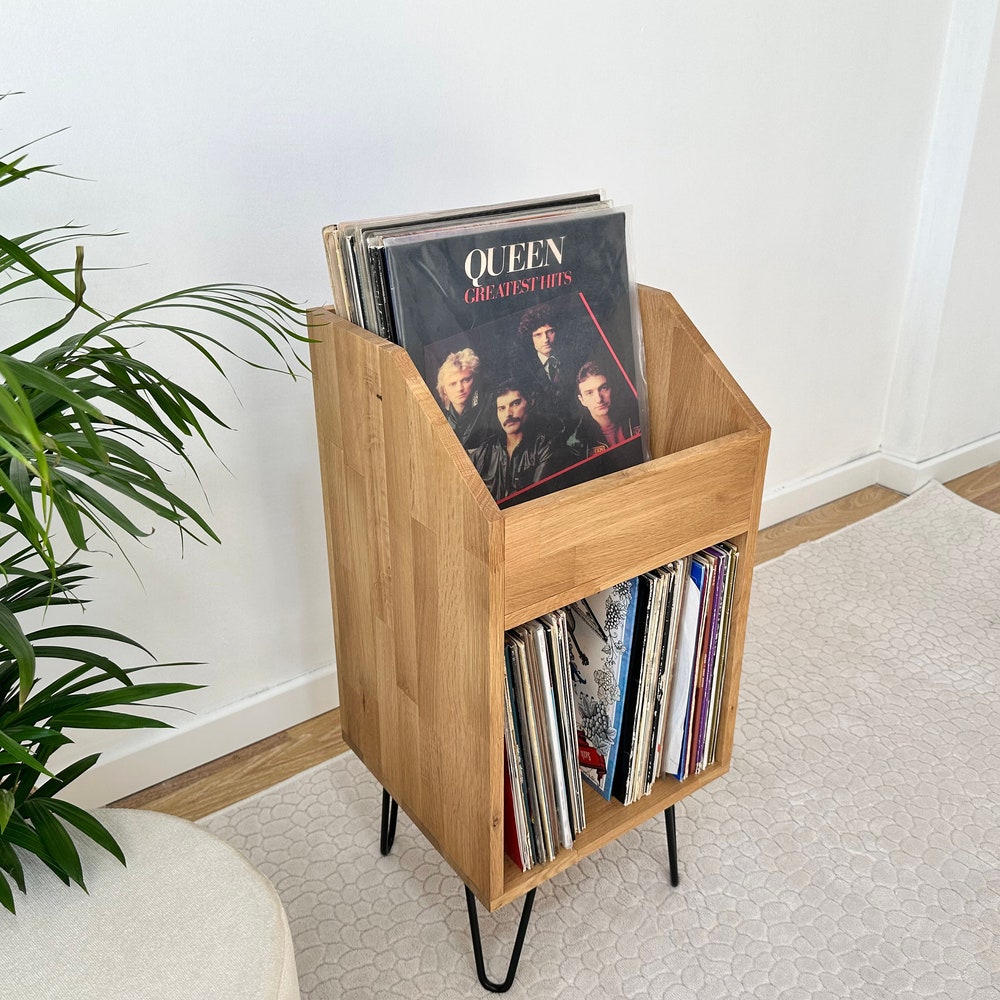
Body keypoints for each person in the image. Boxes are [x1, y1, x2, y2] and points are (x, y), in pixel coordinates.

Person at [470, 378, 565, 505]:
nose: (508, 414)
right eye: (501, 408)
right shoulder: (484, 451)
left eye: (515, 403)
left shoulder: (546, 445)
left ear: (530, 402)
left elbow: (539, 500)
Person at [566, 361, 640, 459]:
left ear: (612, 389)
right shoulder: (577, 443)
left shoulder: (637, 415)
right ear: (582, 400)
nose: (599, 399)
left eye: (603, 388)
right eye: (589, 393)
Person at [435, 348, 489, 450]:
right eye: (452, 384)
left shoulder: (488, 410)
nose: (460, 388)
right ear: (444, 389)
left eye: (466, 380)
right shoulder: (440, 421)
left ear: (474, 380)